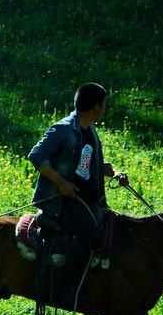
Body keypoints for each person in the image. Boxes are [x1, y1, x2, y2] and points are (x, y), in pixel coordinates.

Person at [27, 83, 128, 301]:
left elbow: (87, 162)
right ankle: (68, 290)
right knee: (90, 234)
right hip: (64, 201)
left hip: (87, 199)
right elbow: (36, 155)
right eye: (103, 105)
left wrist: (115, 173)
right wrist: (61, 183)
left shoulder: (89, 130)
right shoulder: (63, 129)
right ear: (95, 107)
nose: (104, 110)